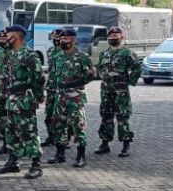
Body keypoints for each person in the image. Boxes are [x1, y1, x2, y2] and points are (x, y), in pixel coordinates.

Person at [0, 24, 46, 179]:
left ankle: (36, 165)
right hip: (11, 100)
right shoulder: (11, 55)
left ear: (16, 37)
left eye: (8, 36)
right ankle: (13, 161)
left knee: (28, 132)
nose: (5, 39)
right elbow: (5, 77)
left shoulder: (29, 55)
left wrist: (38, 96)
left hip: (24, 99)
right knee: (11, 132)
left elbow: (39, 77)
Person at [47, 27, 97, 168]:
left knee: (78, 126)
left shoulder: (83, 57)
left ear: (73, 40)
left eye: (66, 39)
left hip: (75, 96)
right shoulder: (58, 56)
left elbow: (92, 74)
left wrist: (79, 84)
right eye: (61, 39)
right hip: (60, 95)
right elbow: (54, 76)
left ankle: (81, 156)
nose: (62, 41)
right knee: (59, 125)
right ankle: (60, 154)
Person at [95, 25, 141, 157]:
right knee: (106, 117)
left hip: (120, 92)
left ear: (122, 37)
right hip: (106, 91)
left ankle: (126, 145)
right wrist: (102, 76)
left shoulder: (127, 53)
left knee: (122, 117)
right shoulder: (104, 53)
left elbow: (137, 67)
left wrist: (130, 81)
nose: (113, 38)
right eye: (111, 36)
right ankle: (105, 144)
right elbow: (100, 67)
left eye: (116, 36)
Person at [41, 29, 63, 147]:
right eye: (54, 36)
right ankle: (51, 136)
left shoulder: (66, 52)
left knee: (62, 116)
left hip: (62, 89)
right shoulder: (50, 51)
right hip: (51, 88)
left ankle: (65, 138)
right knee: (49, 114)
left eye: (58, 37)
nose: (56, 39)